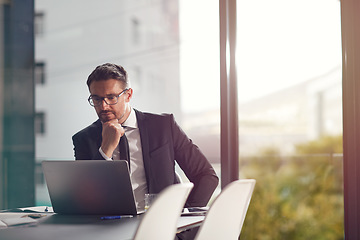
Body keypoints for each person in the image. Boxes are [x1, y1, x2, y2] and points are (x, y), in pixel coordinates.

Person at [72, 62, 218, 215]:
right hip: (108, 230)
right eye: (97, 99)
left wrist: (180, 216)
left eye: (111, 97)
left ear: (128, 95)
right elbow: (84, 198)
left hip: (161, 227)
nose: (104, 106)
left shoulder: (163, 126)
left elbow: (206, 176)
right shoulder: (83, 139)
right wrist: (105, 149)